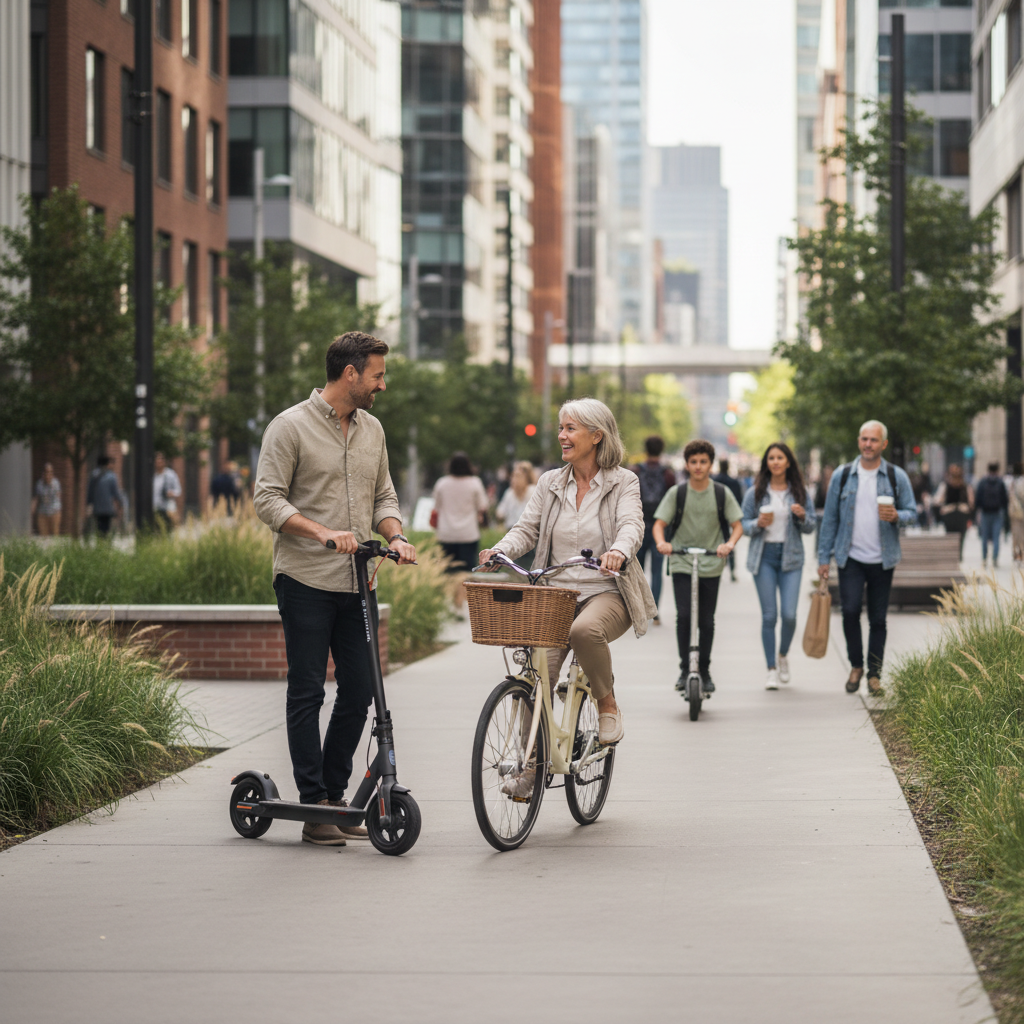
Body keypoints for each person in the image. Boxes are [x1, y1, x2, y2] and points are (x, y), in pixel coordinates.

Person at [253, 331, 416, 848]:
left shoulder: (373, 430)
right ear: (350, 374)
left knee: (361, 689)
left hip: (358, 581)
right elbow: (268, 500)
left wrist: (396, 534)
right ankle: (313, 802)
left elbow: (383, 493)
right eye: (377, 375)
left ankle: (333, 793)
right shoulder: (290, 427)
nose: (382, 385)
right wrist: (320, 531)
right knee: (306, 689)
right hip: (305, 578)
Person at [480, 397, 657, 773]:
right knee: (532, 680)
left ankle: (607, 703)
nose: (562, 435)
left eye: (570, 428)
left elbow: (632, 525)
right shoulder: (549, 483)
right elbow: (526, 529)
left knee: (585, 630)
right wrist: (500, 549)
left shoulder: (624, 481)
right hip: (555, 595)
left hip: (607, 591)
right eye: (561, 428)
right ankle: (531, 767)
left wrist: (619, 551)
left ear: (597, 436)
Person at [817, 420, 916, 695]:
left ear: (883, 444)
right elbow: (830, 519)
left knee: (878, 619)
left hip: (882, 560)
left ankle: (874, 675)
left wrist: (898, 516)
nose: (868, 444)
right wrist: (823, 557)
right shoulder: (843, 474)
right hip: (850, 557)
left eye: (873, 440)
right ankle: (856, 665)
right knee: (849, 612)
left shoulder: (896, 476)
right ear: (858, 441)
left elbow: (913, 511)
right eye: (864, 439)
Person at [652, 439, 743, 695]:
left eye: (703, 462)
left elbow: (737, 525)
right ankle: (685, 669)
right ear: (687, 464)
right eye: (694, 462)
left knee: (706, 620)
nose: (698, 466)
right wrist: (662, 543)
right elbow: (659, 524)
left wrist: (729, 544)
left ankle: (704, 669)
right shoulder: (677, 493)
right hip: (682, 561)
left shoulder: (721, 493)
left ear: (711, 464)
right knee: (684, 616)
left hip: (711, 562)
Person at [742, 443, 816, 690]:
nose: (775, 462)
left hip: (791, 557)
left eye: (780, 457)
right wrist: (757, 524)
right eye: (771, 458)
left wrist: (802, 516)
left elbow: (811, 526)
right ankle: (771, 669)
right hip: (764, 558)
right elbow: (743, 525)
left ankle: (783, 655)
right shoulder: (755, 493)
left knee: (790, 615)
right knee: (769, 616)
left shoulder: (800, 492)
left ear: (788, 462)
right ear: (767, 463)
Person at [630, 435, 677, 620]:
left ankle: (638, 609)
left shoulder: (635, 471)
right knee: (657, 571)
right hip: (660, 527)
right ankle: (654, 610)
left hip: (638, 526)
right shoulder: (668, 473)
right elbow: (672, 500)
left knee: (637, 570)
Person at [432, 452, 490, 573]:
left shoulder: (442, 483)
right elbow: (483, 507)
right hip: (468, 534)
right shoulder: (475, 482)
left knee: (447, 572)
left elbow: (436, 508)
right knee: (467, 573)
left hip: (446, 533)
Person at [933, 465, 974, 560]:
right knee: (961, 538)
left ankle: (952, 556)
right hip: (962, 513)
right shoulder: (966, 485)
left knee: (950, 537)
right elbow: (971, 502)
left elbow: (938, 500)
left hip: (949, 513)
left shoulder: (946, 485)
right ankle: (959, 556)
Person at [713, 457, 744, 582]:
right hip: (729, 514)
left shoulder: (714, 480)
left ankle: (718, 567)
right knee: (729, 541)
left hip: (716, 515)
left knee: (715, 540)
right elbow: (739, 499)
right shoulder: (734, 481)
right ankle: (731, 569)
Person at [974, 461, 1008, 568]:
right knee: (996, 538)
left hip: (985, 512)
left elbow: (978, 498)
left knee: (984, 538)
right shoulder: (1000, 482)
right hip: (997, 513)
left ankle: (984, 559)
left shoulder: (983, 482)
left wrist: (977, 512)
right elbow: (1005, 500)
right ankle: (995, 559)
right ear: (997, 470)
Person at [86, 455, 123, 537]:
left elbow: (90, 491)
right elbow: (116, 492)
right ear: (107, 464)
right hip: (107, 507)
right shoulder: (111, 476)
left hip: (97, 507)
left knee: (99, 526)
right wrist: (120, 504)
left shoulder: (93, 474)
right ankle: (104, 541)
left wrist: (89, 504)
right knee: (106, 527)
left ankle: (100, 540)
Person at [496, 460, 537, 529]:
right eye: (513, 476)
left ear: (525, 478)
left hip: (528, 530)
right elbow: (500, 512)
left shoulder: (532, 491)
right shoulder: (509, 493)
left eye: (518, 476)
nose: (514, 480)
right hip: (511, 529)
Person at [31, 463, 62, 536]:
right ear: (43, 473)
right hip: (42, 512)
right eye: (46, 472)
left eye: (50, 472)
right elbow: (36, 497)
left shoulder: (55, 483)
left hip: (54, 511)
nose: (48, 474)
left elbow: (58, 495)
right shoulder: (39, 484)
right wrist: (33, 508)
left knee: (55, 534)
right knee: (43, 536)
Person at [153, 452, 182, 530]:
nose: (158, 463)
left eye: (160, 461)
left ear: (164, 462)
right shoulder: (152, 475)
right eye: (156, 461)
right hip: (155, 507)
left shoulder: (170, 475)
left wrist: (172, 493)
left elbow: (178, 490)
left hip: (167, 508)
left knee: (167, 529)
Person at [1009, 463, 1024, 564]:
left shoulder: (1012, 482)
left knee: (1016, 534)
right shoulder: (1022, 481)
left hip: (1014, 511)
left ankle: (1017, 553)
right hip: (1022, 510)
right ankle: (1021, 554)